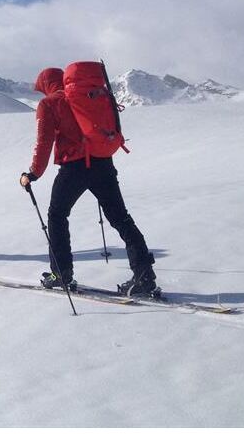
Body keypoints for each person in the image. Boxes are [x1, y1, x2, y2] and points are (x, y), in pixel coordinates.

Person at [21, 67, 159, 296]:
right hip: (103, 164)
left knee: (57, 215)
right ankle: (144, 275)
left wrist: (32, 174)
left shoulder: (50, 104)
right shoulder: (88, 97)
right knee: (121, 218)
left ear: (46, 85)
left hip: (74, 167)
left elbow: (44, 142)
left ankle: (61, 273)